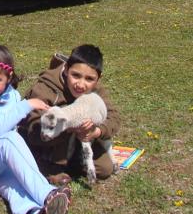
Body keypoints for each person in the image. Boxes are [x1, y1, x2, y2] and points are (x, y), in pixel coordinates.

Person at [0, 44, 71, 214]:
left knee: (18, 187)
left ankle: (37, 210)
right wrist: (27, 105)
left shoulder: (13, 95)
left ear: (9, 77)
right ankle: (48, 192)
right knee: (9, 138)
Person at [20, 44, 120, 185]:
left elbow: (114, 117)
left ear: (98, 78)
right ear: (66, 69)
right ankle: (47, 166)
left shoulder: (96, 89)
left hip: (79, 142)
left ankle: (68, 164)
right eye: (76, 75)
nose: (81, 84)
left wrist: (96, 132)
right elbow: (34, 132)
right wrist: (69, 126)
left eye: (89, 79)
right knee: (34, 158)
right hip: (48, 145)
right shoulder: (45, 89)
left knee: (104, 169)